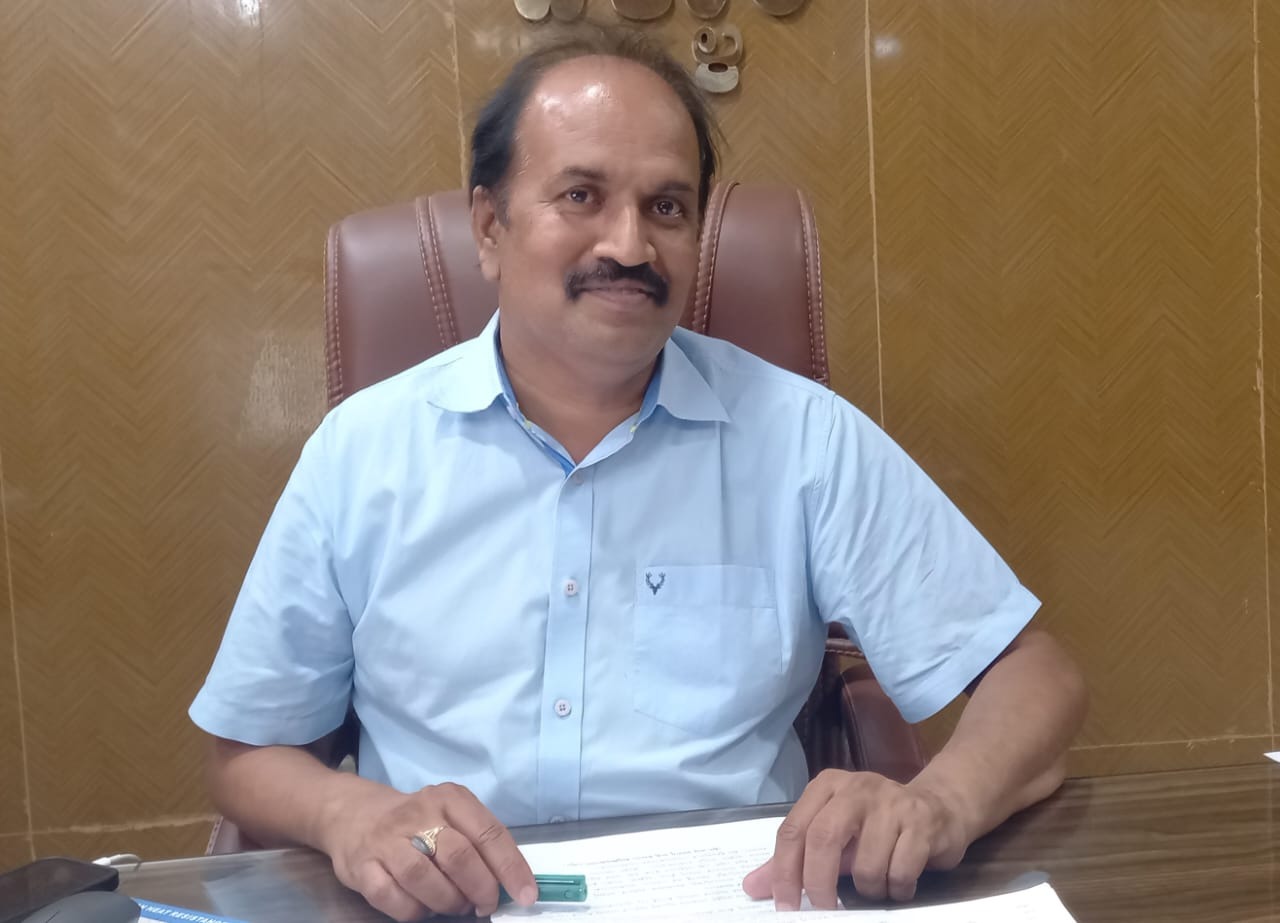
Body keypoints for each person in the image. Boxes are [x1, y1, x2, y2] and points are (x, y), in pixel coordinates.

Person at [190, 24, 1086, 922]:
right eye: (581, 195)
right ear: (490, 227)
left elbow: (1033, 676)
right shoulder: (361, 451)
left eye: (666, 207)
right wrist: (348, 813)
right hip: (446, 903)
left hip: (732, 901)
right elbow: (247, 753)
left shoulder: (802, 438)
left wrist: (938, 802)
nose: (628, 245)